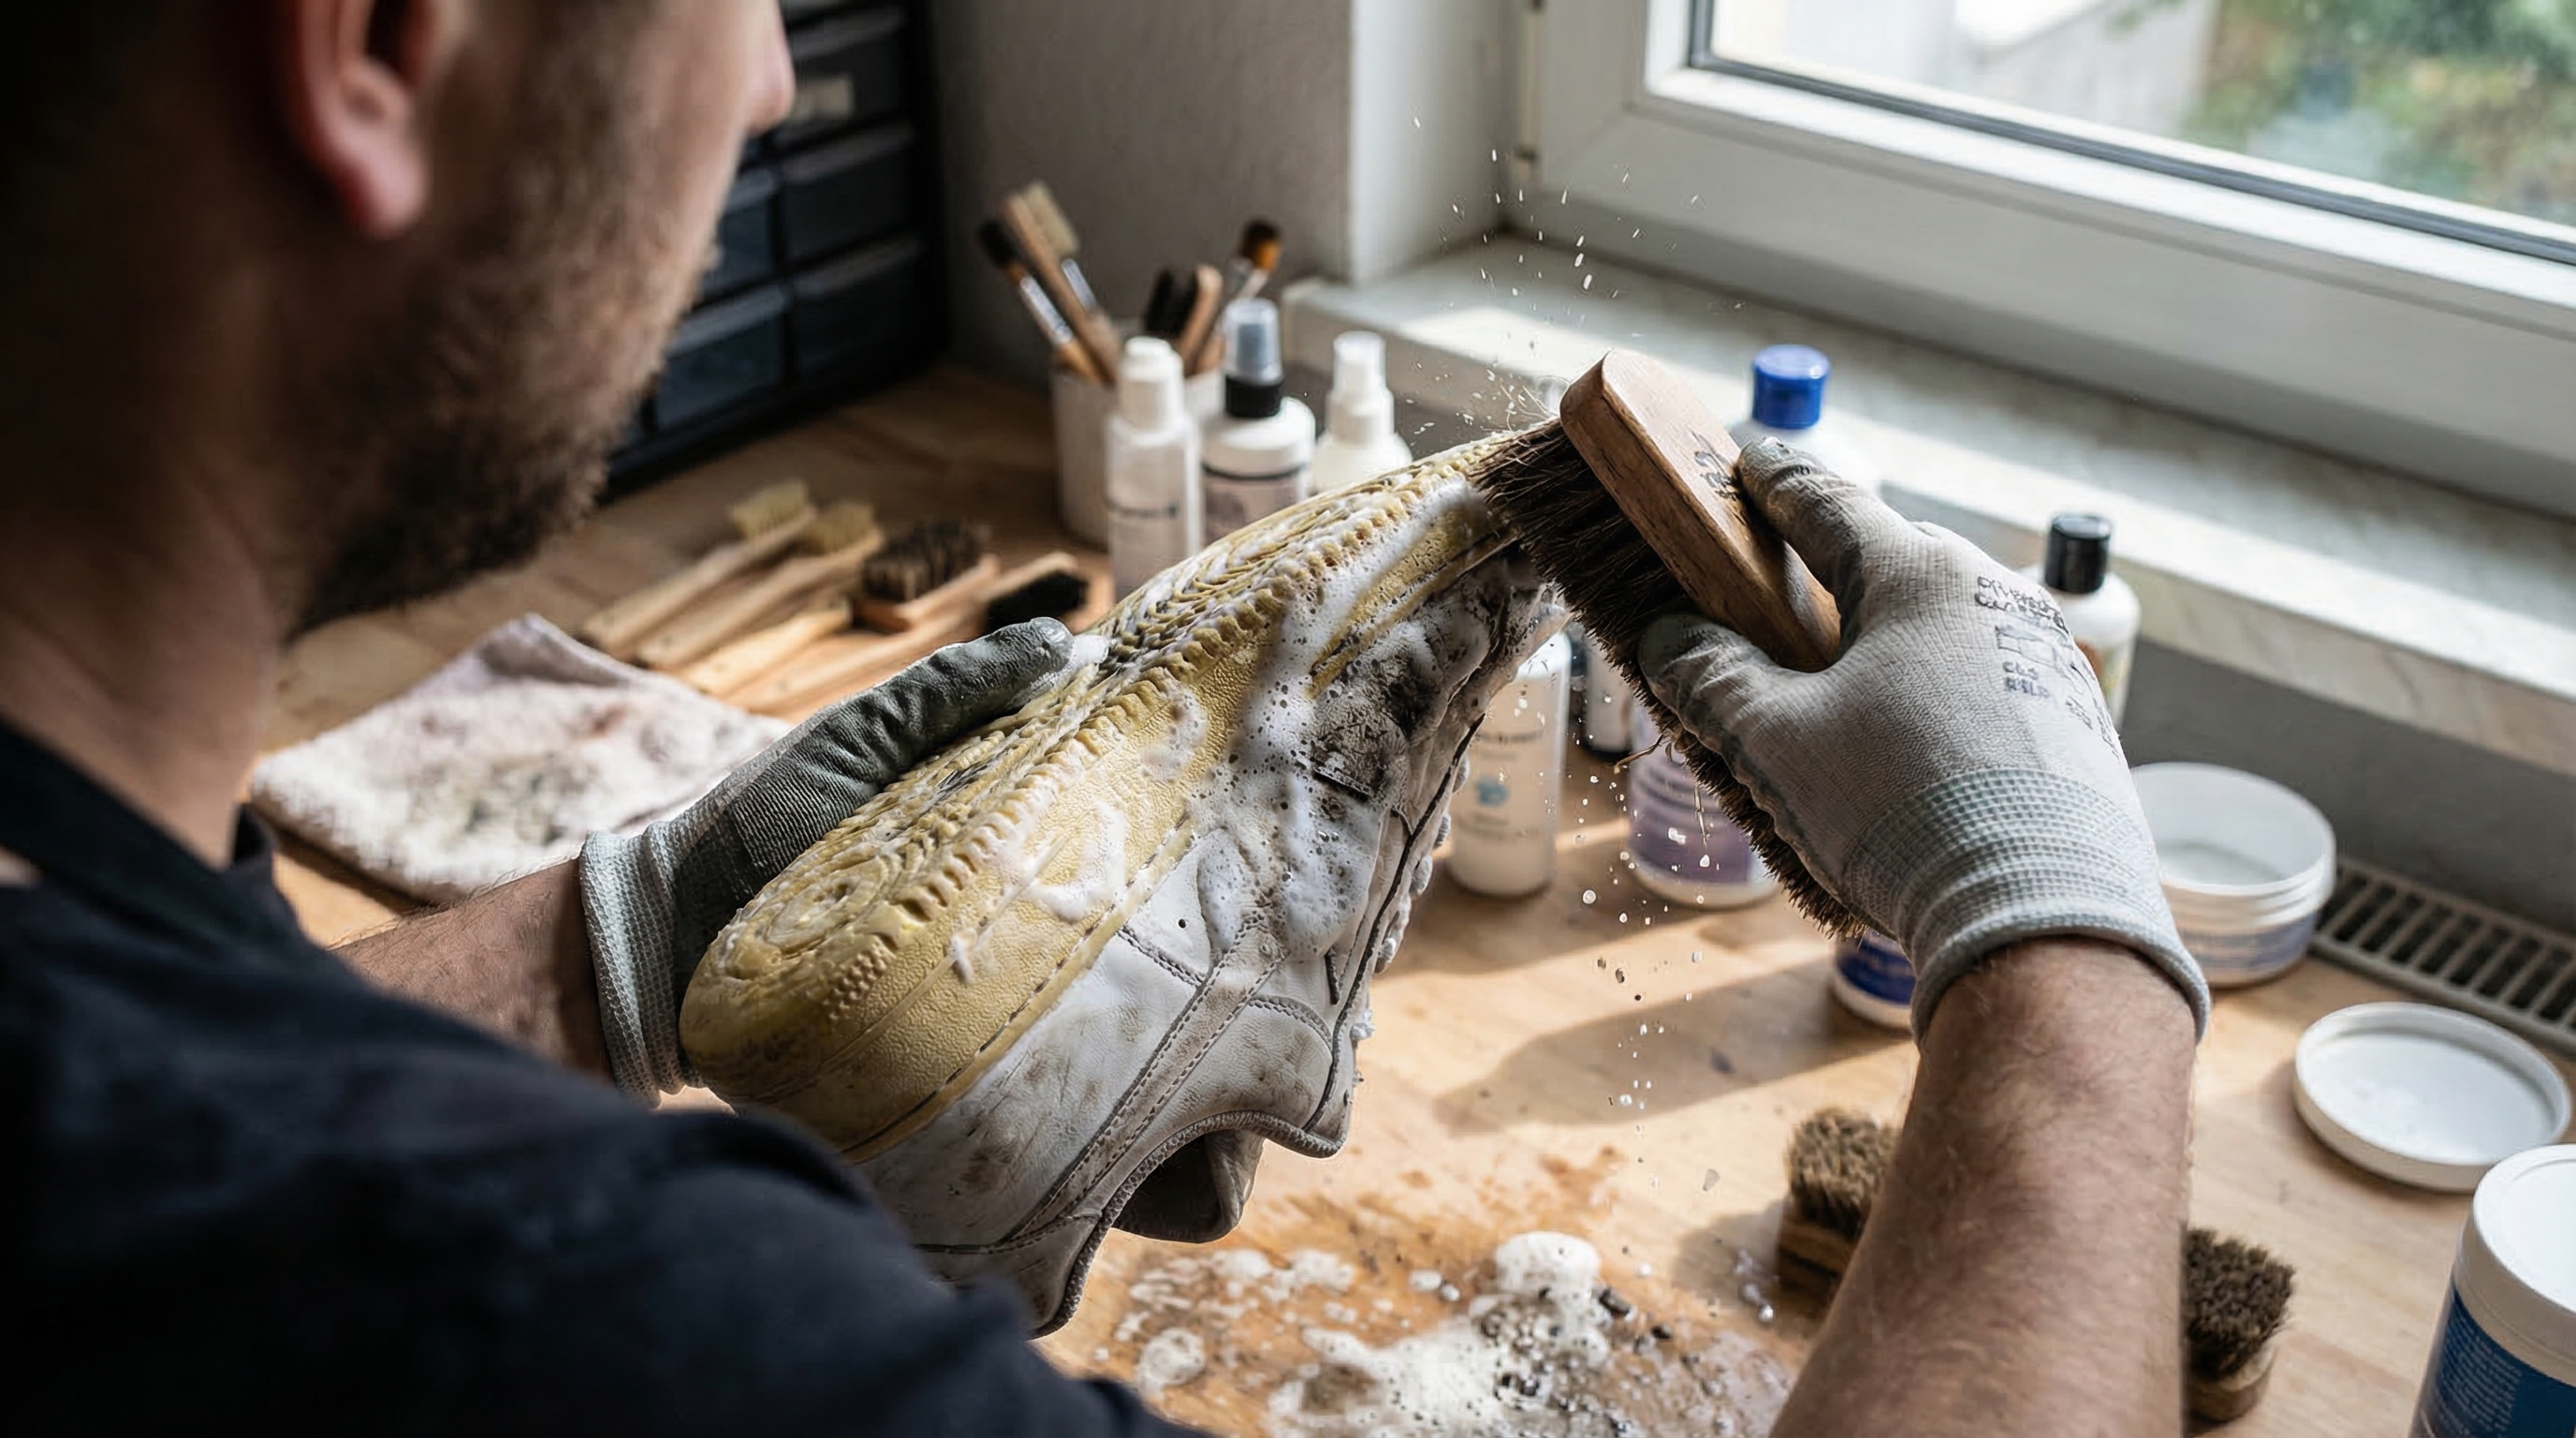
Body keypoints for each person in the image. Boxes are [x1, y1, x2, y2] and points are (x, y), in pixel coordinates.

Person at [0, 3, 2204, 1434]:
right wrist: (2054, 942)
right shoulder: (599, 1324)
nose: (773, 74)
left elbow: (162, 1062)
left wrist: (612, 943)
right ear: (381, 40)